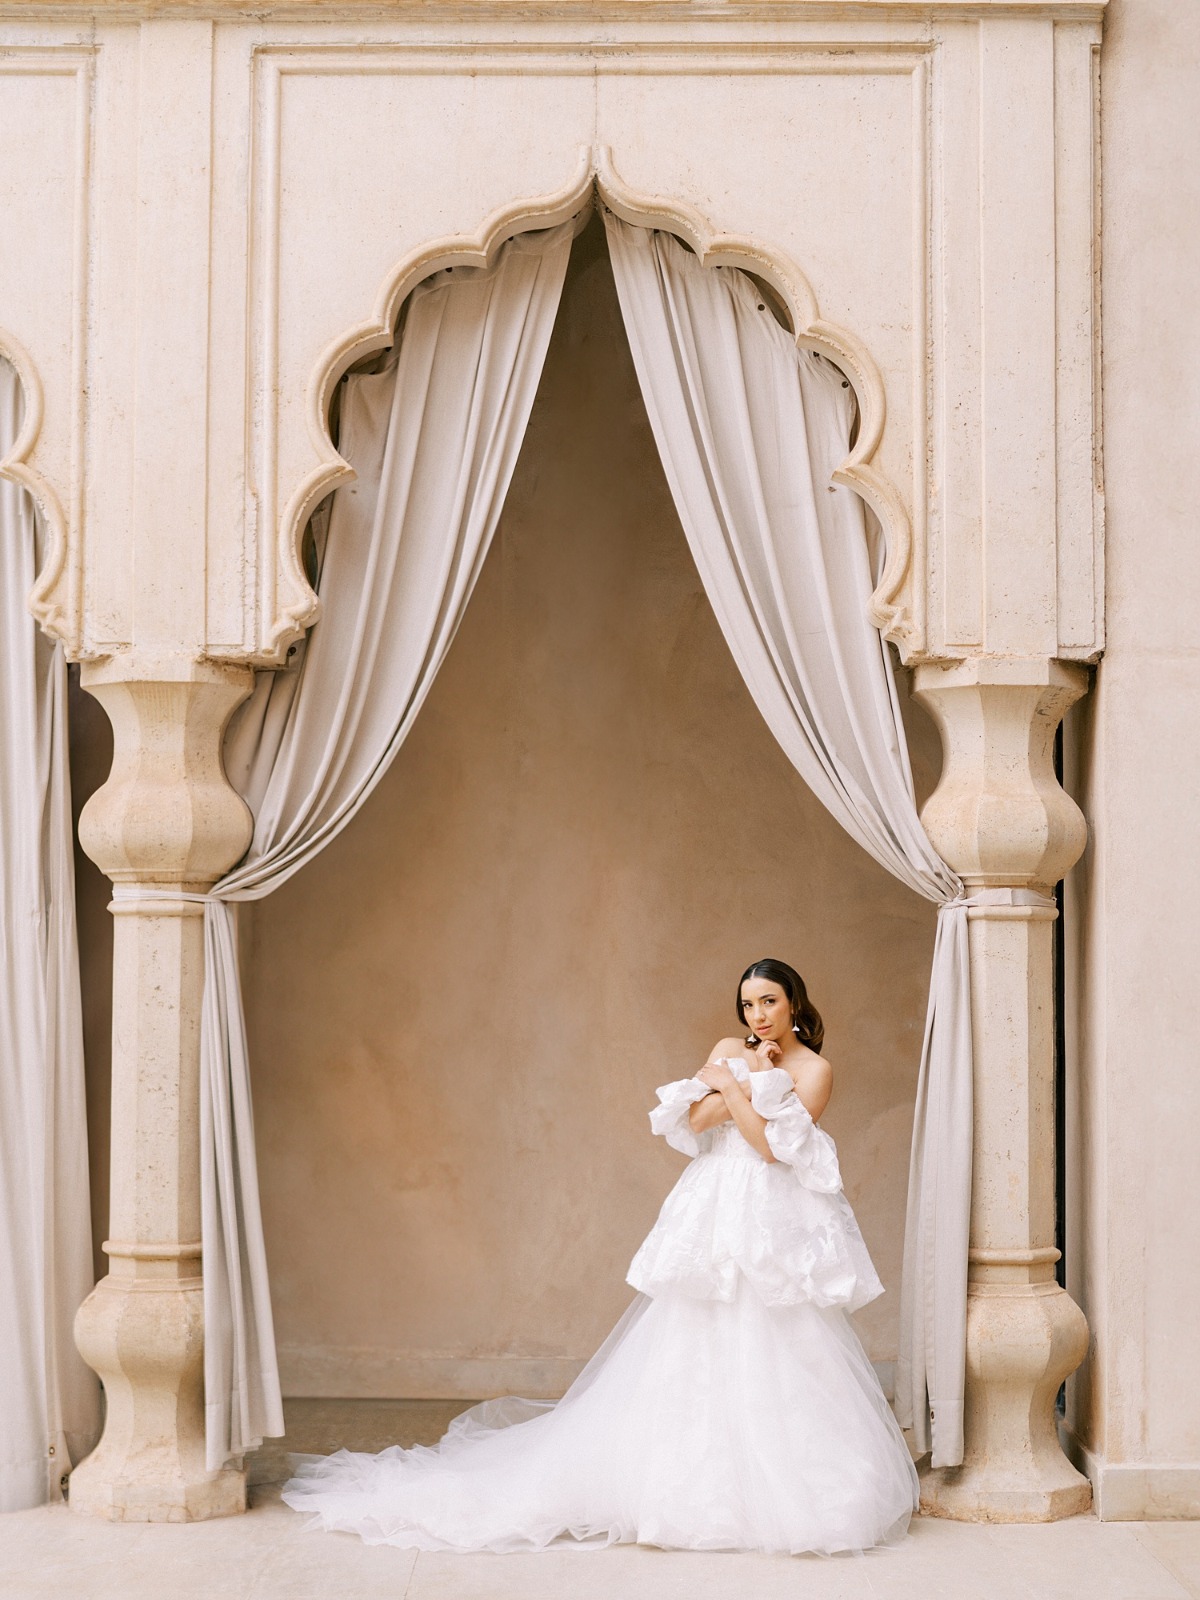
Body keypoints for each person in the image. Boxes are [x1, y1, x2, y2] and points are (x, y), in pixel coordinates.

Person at [281, 958, 919, 1554]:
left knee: (780, 1327)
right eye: (747, 1004)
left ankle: (788, 1484)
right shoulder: (729, 1051)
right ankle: (683, 1484)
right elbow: (695, 1124)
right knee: (695, 1325)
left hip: (773, 1212)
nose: (756, 1017)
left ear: (794, 1002)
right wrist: (735, 1078)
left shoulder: (813, 1071)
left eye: (768, 1002)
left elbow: (773, 1150)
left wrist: (735, 1086)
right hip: (715, 1202)